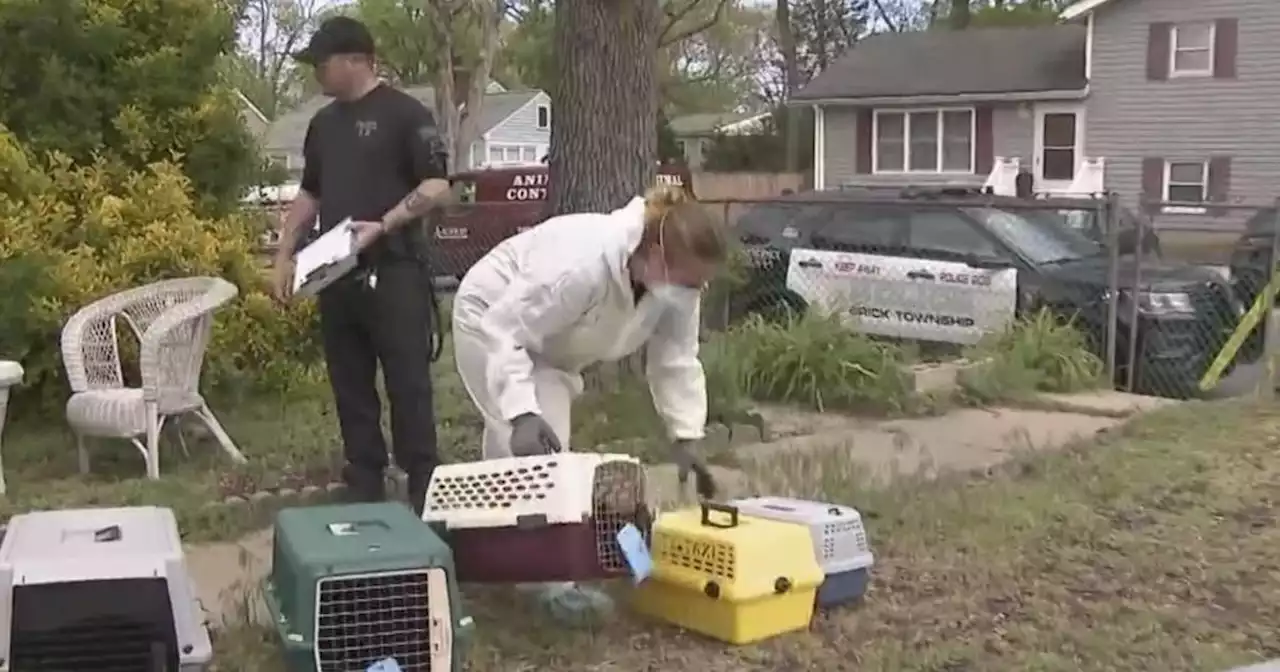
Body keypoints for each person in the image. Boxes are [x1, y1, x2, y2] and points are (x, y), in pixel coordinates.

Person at [450, 184, 726, 621]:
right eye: (690, 280)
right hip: (492, 318)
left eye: (701, 282)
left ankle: (498, 557)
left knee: (536, 453)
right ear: (655, 254)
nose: (695, 291)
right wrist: (521, 411)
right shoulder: (582, 263)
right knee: (533, 453)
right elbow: (505, 330)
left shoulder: (677, 284)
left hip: (552, 348)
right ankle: (546, 584)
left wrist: (687, 435)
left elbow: (675, 358)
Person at [271, 16, 450, 516]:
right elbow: (311, 193)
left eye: (321, 63)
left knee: (408, 383)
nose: (316, 75)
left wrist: (385, 223)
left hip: (395, 271)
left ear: (355, 60)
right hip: (337, 275)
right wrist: (284, 253)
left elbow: (438, 185)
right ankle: (365, 484)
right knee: (349, 383)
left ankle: (424, 486)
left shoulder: (405, 114)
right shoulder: (323, 125)